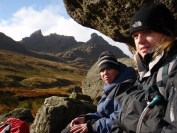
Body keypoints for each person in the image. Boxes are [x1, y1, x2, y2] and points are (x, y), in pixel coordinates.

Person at [111, 2, 177, 133]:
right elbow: (120, 121)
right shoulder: (145, 74)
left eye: (147, 31)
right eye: (135, 36)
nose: (139, 41)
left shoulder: (173, 68)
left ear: (168, 34)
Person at [61, 51, 137, 133]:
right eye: (102, 70)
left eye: (109, 68)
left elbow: (120, 119)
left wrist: (92, 126)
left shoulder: (126, 87)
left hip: (113, 128)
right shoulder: (109, 87)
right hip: (104, 125)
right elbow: (102, 113)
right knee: (71, 127)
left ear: (117, 71)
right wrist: (86, 117)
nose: (105, 73)